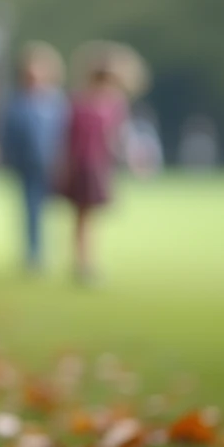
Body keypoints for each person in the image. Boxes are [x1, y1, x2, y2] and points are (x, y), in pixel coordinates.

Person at [58, 61, 129, 285]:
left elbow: (115, 139)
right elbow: (68, 137)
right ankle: (82, 263)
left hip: (99, 166)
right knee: (81, 217)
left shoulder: (115, 104)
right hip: (80, 165)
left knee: (91, 218)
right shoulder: (78, 103)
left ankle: (87, 262)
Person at [0, 42, 67, 274]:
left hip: (53, 164)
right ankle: (34, 254)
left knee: (54, 211)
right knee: (31, 210)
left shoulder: (55, 101)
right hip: (27, 166)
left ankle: (53, 252)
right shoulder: (17, 102)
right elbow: (9, 135)